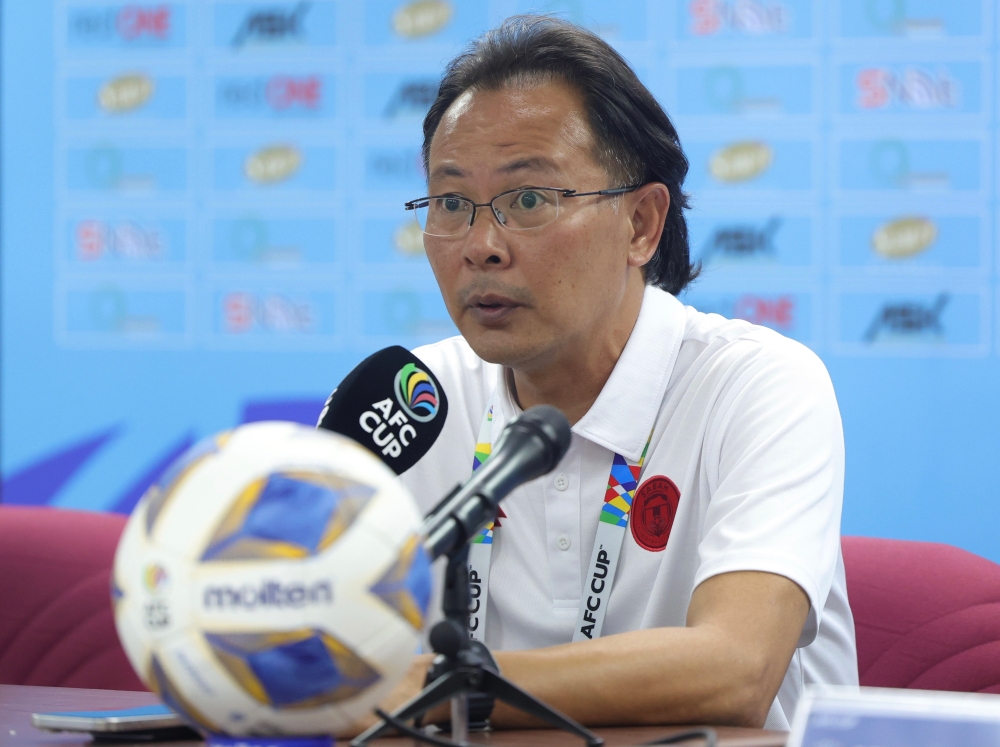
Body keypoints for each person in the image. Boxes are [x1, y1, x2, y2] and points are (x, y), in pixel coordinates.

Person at [368, 15, 856, 734]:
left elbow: (736, 666)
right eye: (450, 204)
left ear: (640, 225)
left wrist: (434, 687)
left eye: (528, 200)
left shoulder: (760, 385)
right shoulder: (412, 401)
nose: (480, 246)